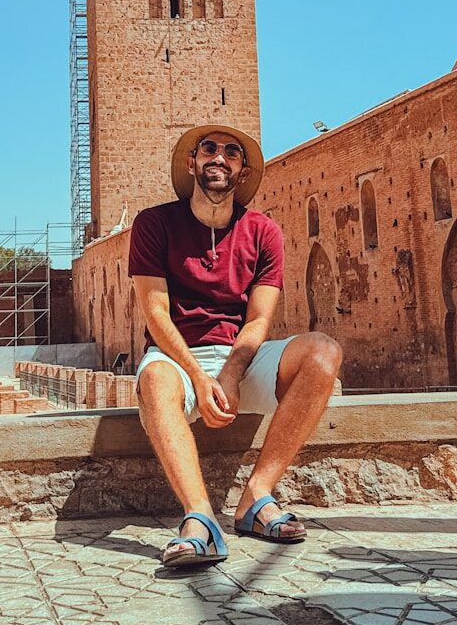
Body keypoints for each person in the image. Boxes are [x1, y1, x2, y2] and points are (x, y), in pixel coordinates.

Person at [129, 123, 342, 568]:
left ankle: (256, 497)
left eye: (231, 152)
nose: (219, 158)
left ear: (242, 171)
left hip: (241, 360)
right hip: (176, 357)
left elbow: (259, 318)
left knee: (323, 352)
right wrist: (198, 375)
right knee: (152, 378)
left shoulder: (263, 232)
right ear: (192, 162)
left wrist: (229, 372)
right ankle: (200, 519)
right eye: (208, 149)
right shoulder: (154, 224)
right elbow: (155, 314)